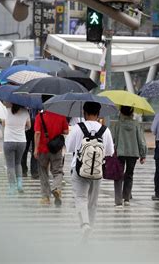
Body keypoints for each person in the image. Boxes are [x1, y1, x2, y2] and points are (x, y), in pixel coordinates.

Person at [65, 102, 114, 239]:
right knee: (93, 202)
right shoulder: (105, 130)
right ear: (98, 114)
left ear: (84, 112)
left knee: (80, 197)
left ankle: (84, 225)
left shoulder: (77, 128)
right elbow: (110, 151)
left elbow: (68, 147)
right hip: (98, 170)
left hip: (79, 168)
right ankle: (90, 229)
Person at [34, 95, 69, 206]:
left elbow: (37, 133)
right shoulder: (61, 115)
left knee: (43, 172)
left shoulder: (40, 116)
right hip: (56, 149)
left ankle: (46, 198)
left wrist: (35, 149)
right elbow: (66, 131)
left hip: (42, 149)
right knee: (57, 171)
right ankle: (57, 188)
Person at [111, 106, 147, 207]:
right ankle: (126, 198)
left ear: (121, 112)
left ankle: (118, 200)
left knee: (118, 175)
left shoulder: (117, 124)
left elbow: (112, 139)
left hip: (120, 152)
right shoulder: (136, 124)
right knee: (129, 174)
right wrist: (143, 154)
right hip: (133, 153)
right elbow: (141, 141)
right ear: (132, 112)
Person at [3, 103, 31, 194]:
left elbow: (3, 124)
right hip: (21, 141)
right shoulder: (25, 112)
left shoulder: (6, 111)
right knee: (18, 163)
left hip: (9, 140)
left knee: (10, 165)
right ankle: (19, 184)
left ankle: (12, 187)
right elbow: (29, 126)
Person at [21, 109, 39, 179]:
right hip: (27, 127)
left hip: (37, 125)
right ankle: (23, 170)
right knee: (24, 149)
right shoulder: (24, 104)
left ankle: (34, 171)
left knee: (35, 149)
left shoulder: (38, 104)